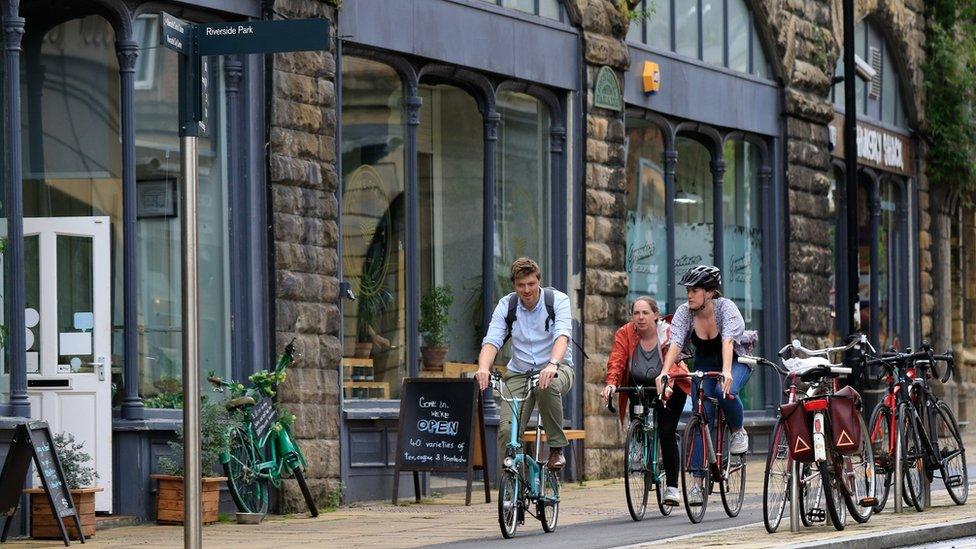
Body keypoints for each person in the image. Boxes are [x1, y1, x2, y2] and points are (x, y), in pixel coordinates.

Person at [657, 265, 753, 504]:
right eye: (688, 290)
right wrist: (664, 372)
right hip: (705, 361)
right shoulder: (685, 312)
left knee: (724, 390)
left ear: (709, 292)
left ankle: (738, 431)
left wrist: (727, 371)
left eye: (695, 290)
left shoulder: (726, 308)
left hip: (737, 360)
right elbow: (676, 343)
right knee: (702, 416)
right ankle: (698, 484)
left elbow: (728, 342)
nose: (689, 295)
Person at [476, 257, 575, 470]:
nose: (527, 290)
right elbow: (492, 341)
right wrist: (483, 368)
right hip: (520, 373)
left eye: (531, 284)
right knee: (506, 430)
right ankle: (514, 482)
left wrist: (552, 363)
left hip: (557, 368)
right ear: (514, 285)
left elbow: (562, 336)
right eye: (521, 285)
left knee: (546, 385)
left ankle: (557, 448)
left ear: (539, 280)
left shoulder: (557, 300)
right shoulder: (507, 305)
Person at [601, 296, 691, 506]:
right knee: (637, 407)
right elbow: (617, 361)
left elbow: (675, 361)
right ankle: (639, 443)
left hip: (671, 384)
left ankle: (671, 488)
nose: (640, 318)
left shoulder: (668, 332)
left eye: (645, 313)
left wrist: (667, 380)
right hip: (641, 385)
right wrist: (612, 383)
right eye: (636, 313)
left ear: (656, 315)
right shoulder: (625, 333)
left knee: (667, 432)